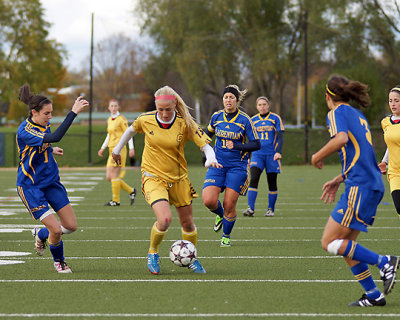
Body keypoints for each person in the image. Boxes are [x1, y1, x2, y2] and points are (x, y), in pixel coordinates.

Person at [112, 86, 220, 275]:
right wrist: (116, 150)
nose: (163, 113)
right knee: (165, 219)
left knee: (187, 223)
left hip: (179, 179)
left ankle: (191, 257)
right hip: (153, 177)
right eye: (159, 109)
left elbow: (205, 145)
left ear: (175, 105)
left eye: (167, 109)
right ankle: (153, 252)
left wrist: (211, 157)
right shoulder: (145, 119)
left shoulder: (184, 123)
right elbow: (130, 131)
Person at [311, 75, 399, 307]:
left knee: (328, 241)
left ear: (328, 96)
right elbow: (364, 156)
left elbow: (340, 139)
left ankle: (384, 261)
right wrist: (339, 178)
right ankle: (373, 295)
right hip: (370, 184)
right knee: (346, 246)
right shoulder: (358, 116)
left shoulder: (337, 113)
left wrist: (317, 155)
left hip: (360, 186)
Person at [16, 84, 89, 273]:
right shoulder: (25, 130)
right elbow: (55, 136)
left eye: (51, 113)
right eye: (47, 113)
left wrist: (49, 149)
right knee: (56, 231)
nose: (50, 117)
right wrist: (73, 112)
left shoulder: (41, 123)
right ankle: (60, 262)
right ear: (34, 113)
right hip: (31, 187)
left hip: (51, 182)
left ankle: (41, 234)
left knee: (71, 226)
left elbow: (46, 140)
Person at [202, 85, 260, 247]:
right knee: (208, 200)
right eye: (226, 97)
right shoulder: (216, 117)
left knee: (229, 205)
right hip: (217, 164)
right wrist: (206, 154)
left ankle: (226, 236)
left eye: (231, 97)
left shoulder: (244, 120)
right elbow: (207, 135)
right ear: (223, 99)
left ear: (237, 100)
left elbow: (256, 144)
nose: (228, 100)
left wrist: (236, 146)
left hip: (237, 167)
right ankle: (220, 215)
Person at [242, 96, 284, 217]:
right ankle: (250, 208)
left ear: (268, 105)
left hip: (272, 155)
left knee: (272, 182)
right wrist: (248, 157)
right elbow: (250, 140)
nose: (262, 107)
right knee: (253, 179)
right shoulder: (253, 120)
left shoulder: (275, 118)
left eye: (264, 104)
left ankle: (271, 209)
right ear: (256, 106)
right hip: (257, 155)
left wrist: (278, 151)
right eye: (260, 105)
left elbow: (280, 137)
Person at [98, 99, 136, 206]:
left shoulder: (121, 119)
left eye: (115, 106)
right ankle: (131, 191)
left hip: (119, 150)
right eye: (111, 106)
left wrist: (131, 148)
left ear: (118, 107)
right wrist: (102, 148)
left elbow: (129, 133)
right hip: (111, 151)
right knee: (109, 177)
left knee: (114, 174)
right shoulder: (110, 119)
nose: (113, 108)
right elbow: (109, 135)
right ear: (108, 108)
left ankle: (116, 200)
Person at [378, 85, 400, 218]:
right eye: (390, 100)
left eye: (396, 100)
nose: (393, 104)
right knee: (399, 206)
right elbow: (390, 144)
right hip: (395, 172)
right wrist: (384, 161)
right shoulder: (385, 122)